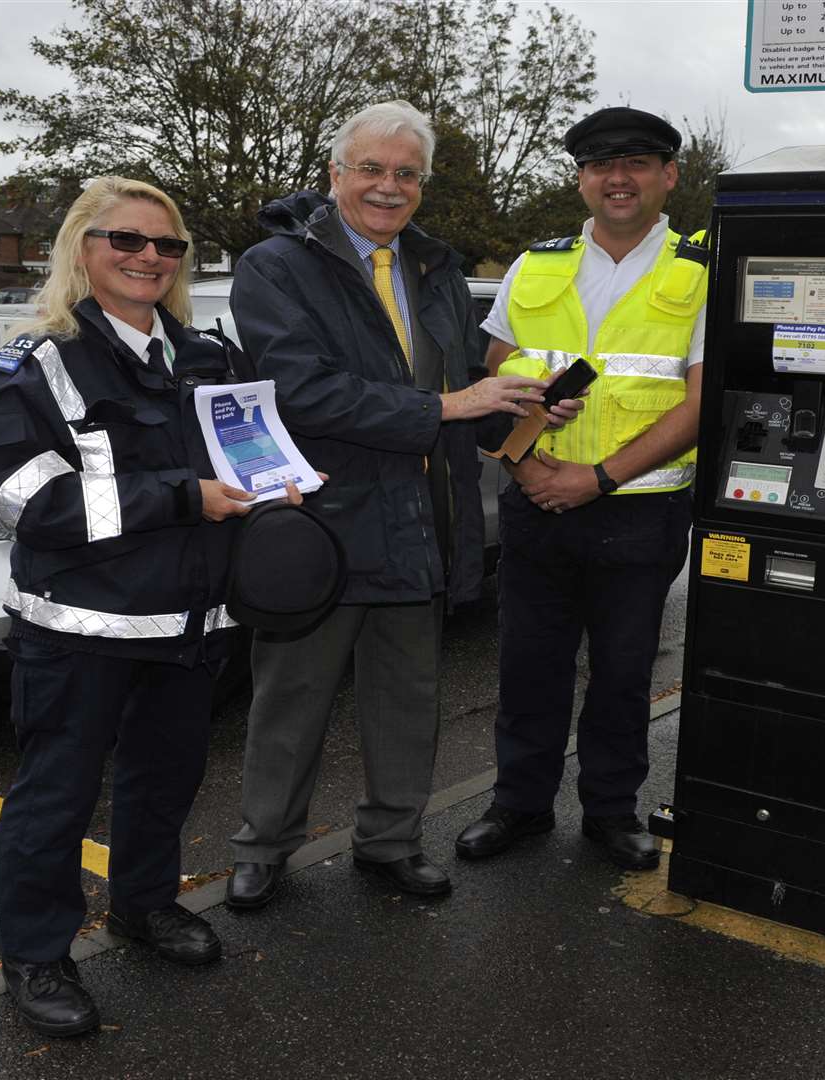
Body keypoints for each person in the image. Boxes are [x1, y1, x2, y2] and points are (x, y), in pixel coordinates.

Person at [0, 176, 290, 1037]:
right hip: (79, 635)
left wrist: (277, 492)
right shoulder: (30, 368)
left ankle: (143, 908)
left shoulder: (210, 358)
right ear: (83, 248)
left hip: (193, 628)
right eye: (126, 241)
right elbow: (29, 506)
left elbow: (252, 465)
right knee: (54, 802)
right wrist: (183, 497)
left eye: (167, 245)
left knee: (163, 785)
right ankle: (35, 955)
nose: (148, 257)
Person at [223, 100, 549, 909]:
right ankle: (264, 849)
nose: (387, 186)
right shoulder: (274, 266)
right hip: (318, 526)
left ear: (422, 186)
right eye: (370, 168)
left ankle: (391, 842)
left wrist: (521, 402)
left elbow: (464, 374)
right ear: (336, 174)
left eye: (406, 174)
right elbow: (303, 393)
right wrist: (449, 408)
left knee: (408, 701)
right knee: (290, 700)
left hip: (419, 523)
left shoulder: (435, 268)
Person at [455, 106, 708, 872]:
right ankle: (520, 806)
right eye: (601, 164)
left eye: (636, 162)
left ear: (669, 176)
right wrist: (530, 471)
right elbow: (496, 379)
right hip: (536, 503)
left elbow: (705, 397)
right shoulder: (537, 265)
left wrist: (596, 480)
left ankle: (610, 811)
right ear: (581, 179)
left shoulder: (701, 270)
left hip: (639, 509)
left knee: (624, 675)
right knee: (529, 669)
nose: (618, 178)